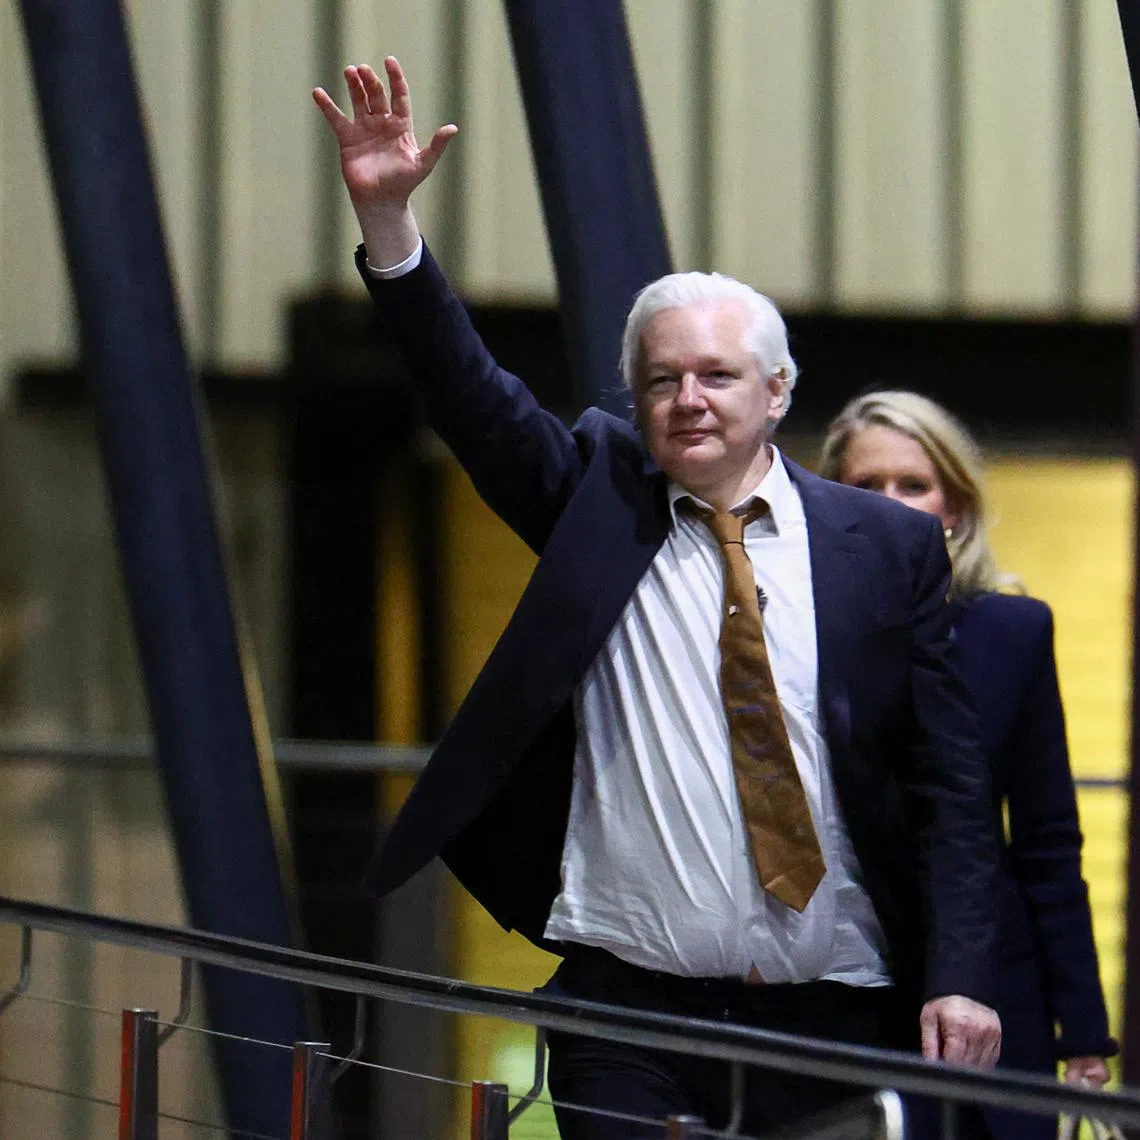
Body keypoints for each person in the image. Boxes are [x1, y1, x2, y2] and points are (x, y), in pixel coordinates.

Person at [313, 58, 1001, 1138]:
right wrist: (391, 228)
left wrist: (961, 973)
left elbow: (952, 788)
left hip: (837, 1013)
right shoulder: (597, 502)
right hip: (629, 1010)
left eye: (717, 377)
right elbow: (471, 397)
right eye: (662, 379)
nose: (688, 401)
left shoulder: (886, 548)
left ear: (777, 394)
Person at [819, 390, 1116, 1139]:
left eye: (911, 485)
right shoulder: (795, 634)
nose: (890, 505)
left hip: (995, 996)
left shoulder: (1013, 630)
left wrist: (1082, 1032)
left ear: (953, 504)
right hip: (846, 992)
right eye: (865, 487)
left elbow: (1047, 844)